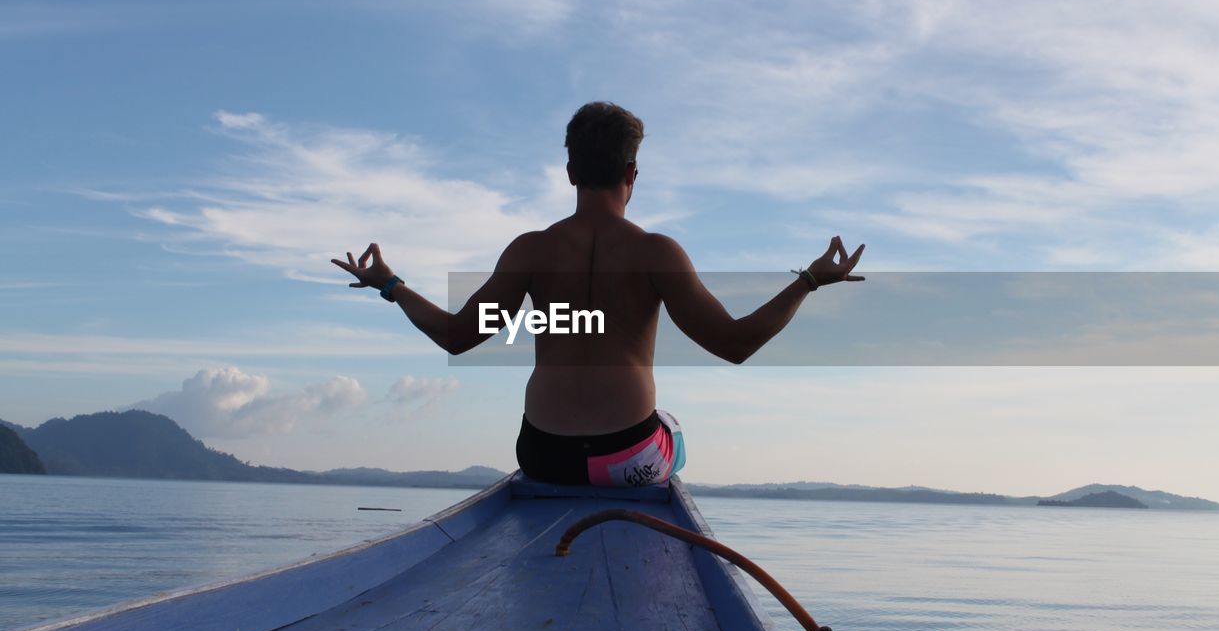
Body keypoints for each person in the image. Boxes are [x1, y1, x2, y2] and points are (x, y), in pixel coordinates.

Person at [332, 102, 864, 487]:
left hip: (544, 455)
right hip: (624, 457)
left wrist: (391, 285)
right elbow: (735, 343)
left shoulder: (530, 252)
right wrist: (809, 281)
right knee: (672, 430)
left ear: (570, 173)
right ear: (632, 173)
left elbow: (457, 336)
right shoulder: (657, 253)